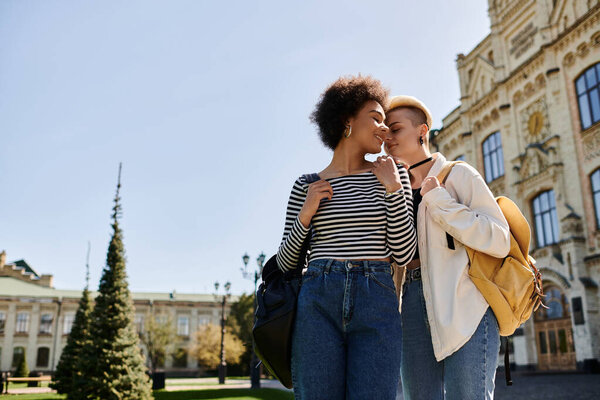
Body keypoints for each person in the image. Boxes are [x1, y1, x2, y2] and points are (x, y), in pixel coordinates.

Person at [276, 76, 417, 400]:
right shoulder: (306, 185)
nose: (384, 129)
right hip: (318, 299)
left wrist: (394, 190)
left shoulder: (393, 175)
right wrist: (306, 214)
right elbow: (286, 264)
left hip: (377, 299)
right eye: (376, 118)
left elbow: (404, 253)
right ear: (346, 121)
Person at [383, 95, 510, 400]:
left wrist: (439, 200)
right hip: (410, 306)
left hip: (465, 303)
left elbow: (499, 240)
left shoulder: (459, 175)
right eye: (384, 131)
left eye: (396, 129)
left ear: (422, 131)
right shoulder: (389, 189)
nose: (387, 137)